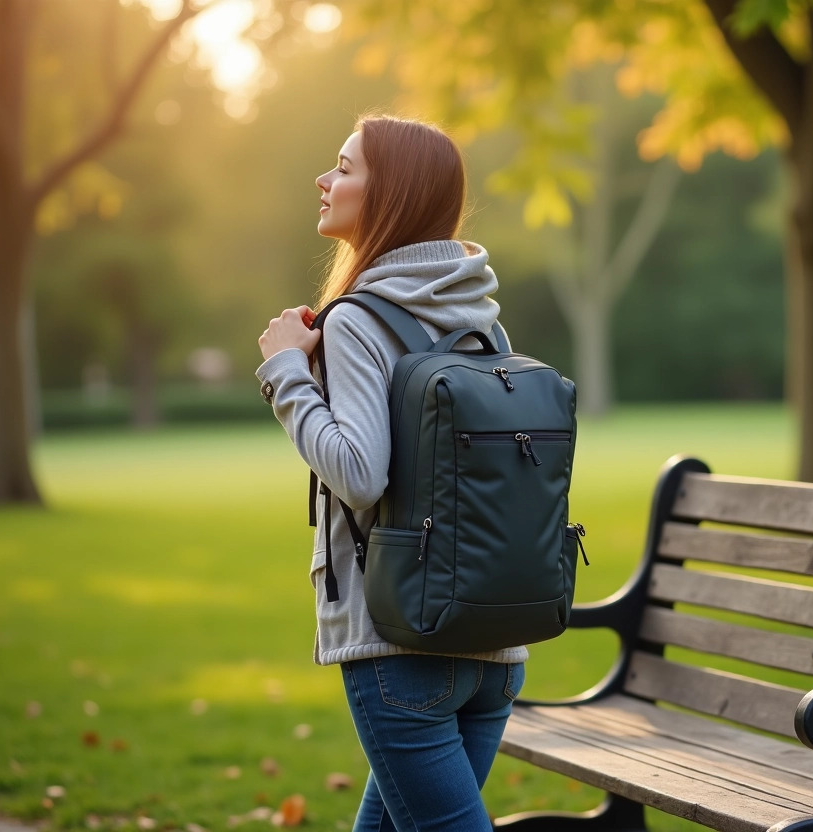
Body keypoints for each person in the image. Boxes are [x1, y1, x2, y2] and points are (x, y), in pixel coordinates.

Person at [255, 115, 526, 832]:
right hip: (496, 642)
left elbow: (359, 472)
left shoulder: (360, 319)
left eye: (344, 168)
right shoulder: (481, 319)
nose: (324, 179)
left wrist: (286, 370)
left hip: (401, 643)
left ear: (392, 194)